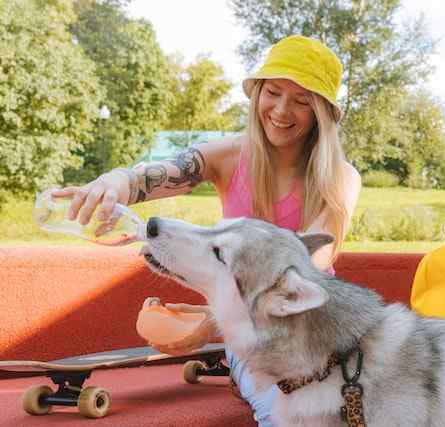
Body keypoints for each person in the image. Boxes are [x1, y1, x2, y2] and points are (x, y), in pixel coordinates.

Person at [54, 34, 361, 426]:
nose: (282, 110)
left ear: (320, 112)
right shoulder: (228, 155)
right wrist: (115, 183)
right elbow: (153, 175)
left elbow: (308, 268)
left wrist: (214, 316)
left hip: (319, 325)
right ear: (258, 94)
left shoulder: (340, 178)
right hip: (255, 341)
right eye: (274, 92)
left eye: (302, 100)